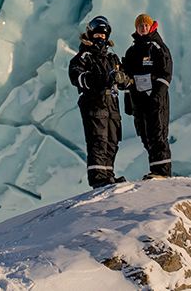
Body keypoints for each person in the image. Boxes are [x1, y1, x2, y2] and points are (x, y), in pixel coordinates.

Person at [69, 15, 132, 188]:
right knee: (98, 140)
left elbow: (127, 81)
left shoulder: (112, 59)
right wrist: (103, 78)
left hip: (112, 103)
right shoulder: (83, 57)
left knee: (112, 140)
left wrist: (121, 78)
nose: (100, 38)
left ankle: (108, 174)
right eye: (97, 35)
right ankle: (98, 178)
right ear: (90, 35)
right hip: (94, 102)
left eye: (103, 35)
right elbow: (77, 78)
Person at [122, 13, 173, 179]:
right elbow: (127, 78)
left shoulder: (157, 47)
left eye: (146, 25)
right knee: (145, 135)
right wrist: (128, 102)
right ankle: (155, 170)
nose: (143, 28)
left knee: (157, 133)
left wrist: (157, 95)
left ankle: (163, 173)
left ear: (151, 27)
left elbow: (166, 73)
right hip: (139, 99)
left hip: (154, 98)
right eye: (140, 26)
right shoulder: (132, 51)